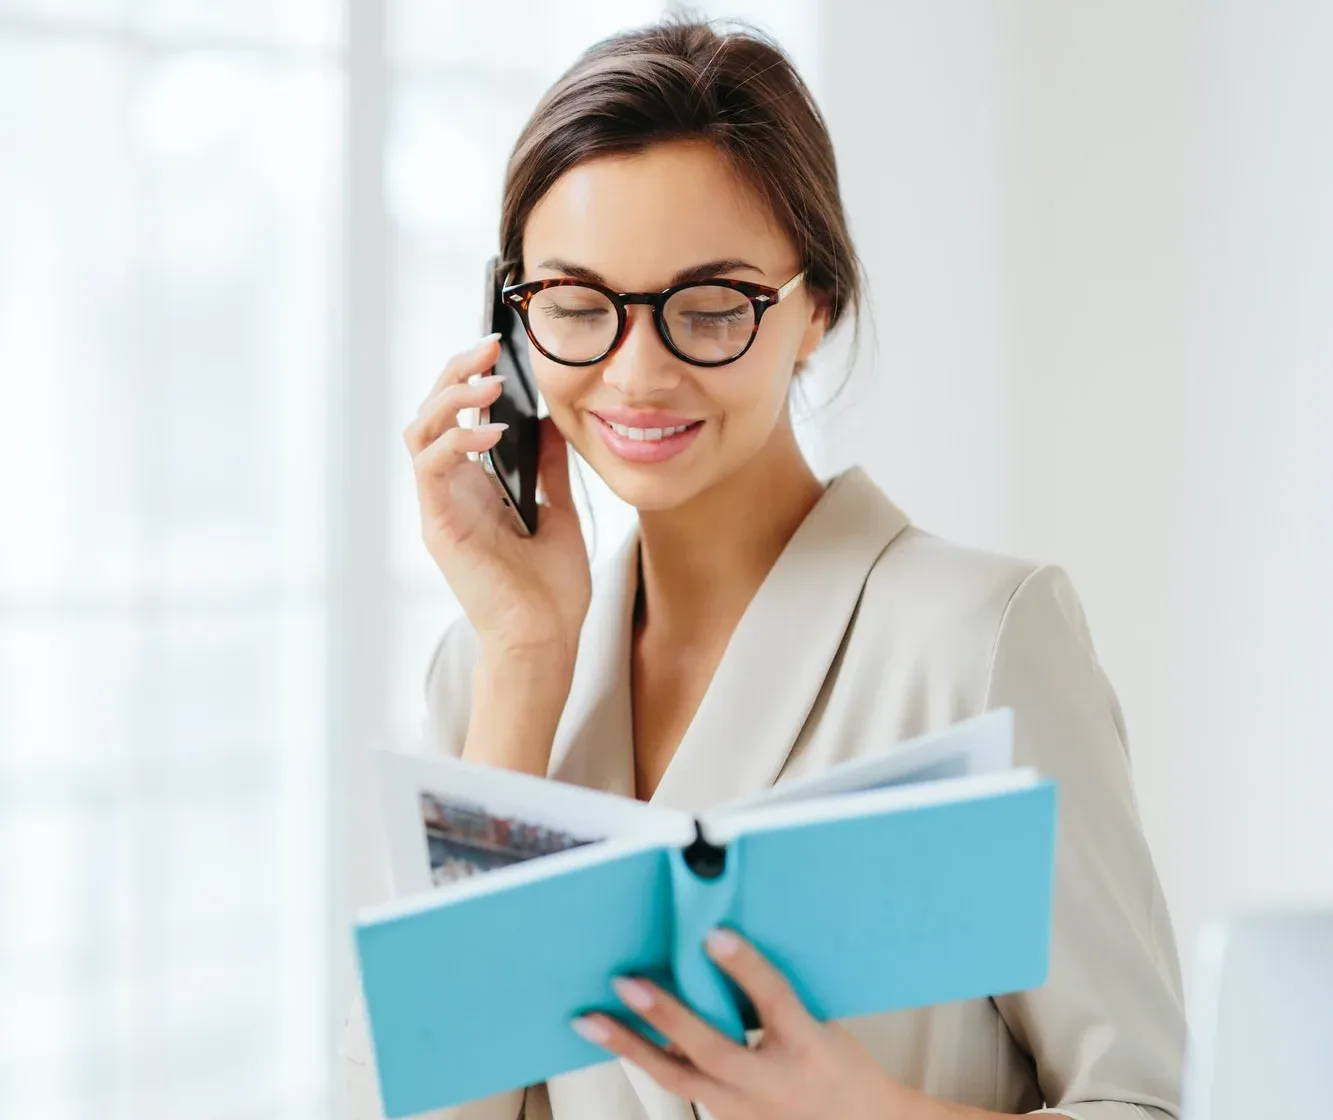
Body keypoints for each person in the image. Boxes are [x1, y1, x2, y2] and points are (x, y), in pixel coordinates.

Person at [340, 16, 1184, 1120]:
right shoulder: (488, 674)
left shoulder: (977, 638)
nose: (637, 374)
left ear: (815, 308)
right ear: (511, 331)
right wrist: (525, 664)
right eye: (578, 307)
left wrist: (861, 1110)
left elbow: (1145, 1101)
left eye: (708, 309)